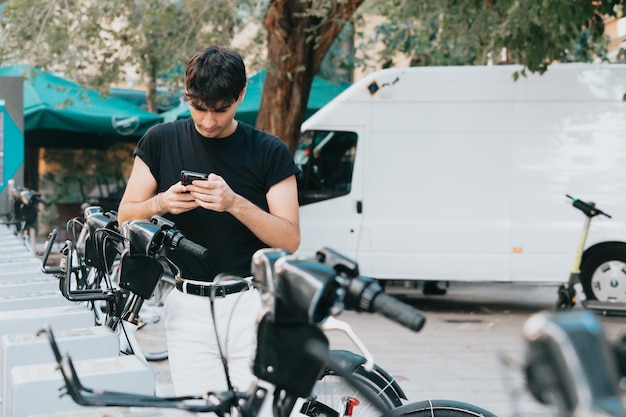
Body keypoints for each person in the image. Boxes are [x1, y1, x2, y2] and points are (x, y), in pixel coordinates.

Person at [117, 45, 301, 397]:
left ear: (241, 96)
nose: (208, 121)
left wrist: (234, 203)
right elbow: (126, 214)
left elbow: (290, 239)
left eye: (221, 109)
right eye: (198, 107)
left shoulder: (269, 150)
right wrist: (161, 202)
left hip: (250, 303)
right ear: (187, 95)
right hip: (187, 305)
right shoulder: (160, 140)